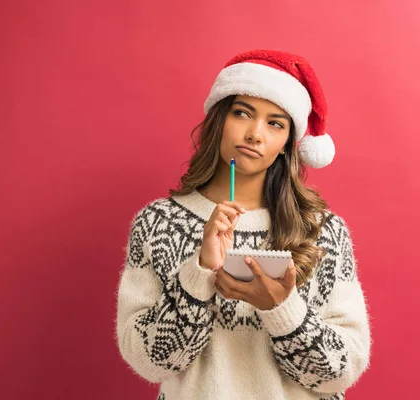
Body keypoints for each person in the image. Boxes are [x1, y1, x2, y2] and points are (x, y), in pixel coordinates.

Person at [115, 50, 371, 400]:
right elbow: (152, 362)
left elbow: (340, 371)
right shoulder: (159, 223)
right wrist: (199, 273)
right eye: (242, 113)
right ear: (219, 120)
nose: (254, 134)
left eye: (275, 123)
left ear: (286, 145)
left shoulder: (323, 231)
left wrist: (282, 311)